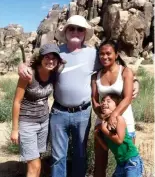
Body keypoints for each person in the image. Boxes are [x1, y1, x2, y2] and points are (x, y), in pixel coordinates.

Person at [18, 15, 139, 177]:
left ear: (85, 33)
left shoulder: (93, 54)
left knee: (80, 155)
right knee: (57, 156)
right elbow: (35, 63)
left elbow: (113, 63)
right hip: (58, 112)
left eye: (80, 29)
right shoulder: (56, 52)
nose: (75, 31)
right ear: (66, 31)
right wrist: (21, 65)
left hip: (82, 113)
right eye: (72, 28)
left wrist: (135, 81)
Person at [10, 43, 64, 177]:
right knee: (35, 165)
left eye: (54, 58)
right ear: (41, 58)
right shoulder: (28, 75)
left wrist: (24, 63)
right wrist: (15, 129)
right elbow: (17, 101)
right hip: (27, 123)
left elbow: (67, 61)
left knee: (36, 160)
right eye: (47, 57)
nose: (50, 61)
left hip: (44, 122)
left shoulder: (54, 73)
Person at [91, 40, 137, 177]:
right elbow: (94, 98)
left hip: (125, 122)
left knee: (127, 162)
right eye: (101, 54)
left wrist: (114, 115)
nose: (104, 57)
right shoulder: (96, 76)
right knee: (99, 164)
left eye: (108, 53)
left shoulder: (125, 72)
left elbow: (128, 97)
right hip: (102, 123)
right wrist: (99, 112)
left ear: (116, 55)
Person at [94, 94, 143, 177]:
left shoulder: (119, 119)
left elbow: (119, 140)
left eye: (108, 101)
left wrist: (104, 130)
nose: (104, 103)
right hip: (120, 163)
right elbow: (106, 148)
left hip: (131, 160)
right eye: (102, 101)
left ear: (116, 106)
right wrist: (98, 136)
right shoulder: (104, 124)